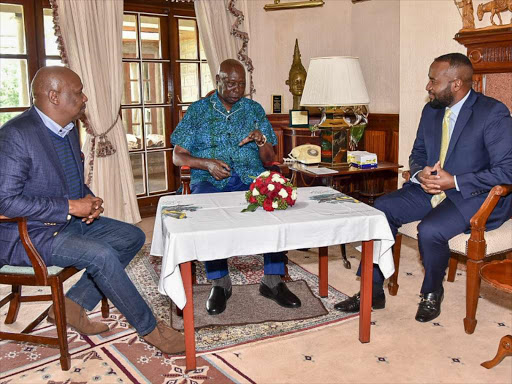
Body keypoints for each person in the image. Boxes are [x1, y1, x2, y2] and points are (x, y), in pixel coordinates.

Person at [0, 66, 185, 354]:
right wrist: (71, 206)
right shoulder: (16, 135)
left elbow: (69, 181)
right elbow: (5, 202)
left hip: (64, 222)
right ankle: (151, 330)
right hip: (28, 234)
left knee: (131, 237)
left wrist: (88, 199)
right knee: (101, 255)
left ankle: (72, 306)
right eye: (77, 92)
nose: (84, 98)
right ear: (53, 96)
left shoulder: (69, 128)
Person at [334, 53, 512, 322]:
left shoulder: (492, 113)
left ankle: (431, 292)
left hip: (473, 195)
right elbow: (417, 152)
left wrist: (453, 181)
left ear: (456, 84)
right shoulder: (431, 111)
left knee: (429, 230)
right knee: (380, 209)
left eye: (433, 80)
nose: (428, 87)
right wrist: (420, 173)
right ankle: (371, 290)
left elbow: (506, 171)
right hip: (430, 187)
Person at [172, 59, 301, 315]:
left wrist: (261, 138)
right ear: (218, 80)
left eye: (241, 84)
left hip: (249, 176)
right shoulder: (197, 111)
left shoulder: (253, 110)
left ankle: (272, 281)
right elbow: (178, 156)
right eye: (230, 83)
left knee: (274, 205)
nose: (236, 89)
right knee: (208, 215)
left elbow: (267, 158)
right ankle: (220, 283)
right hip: (209, 180)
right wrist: (206, 164)